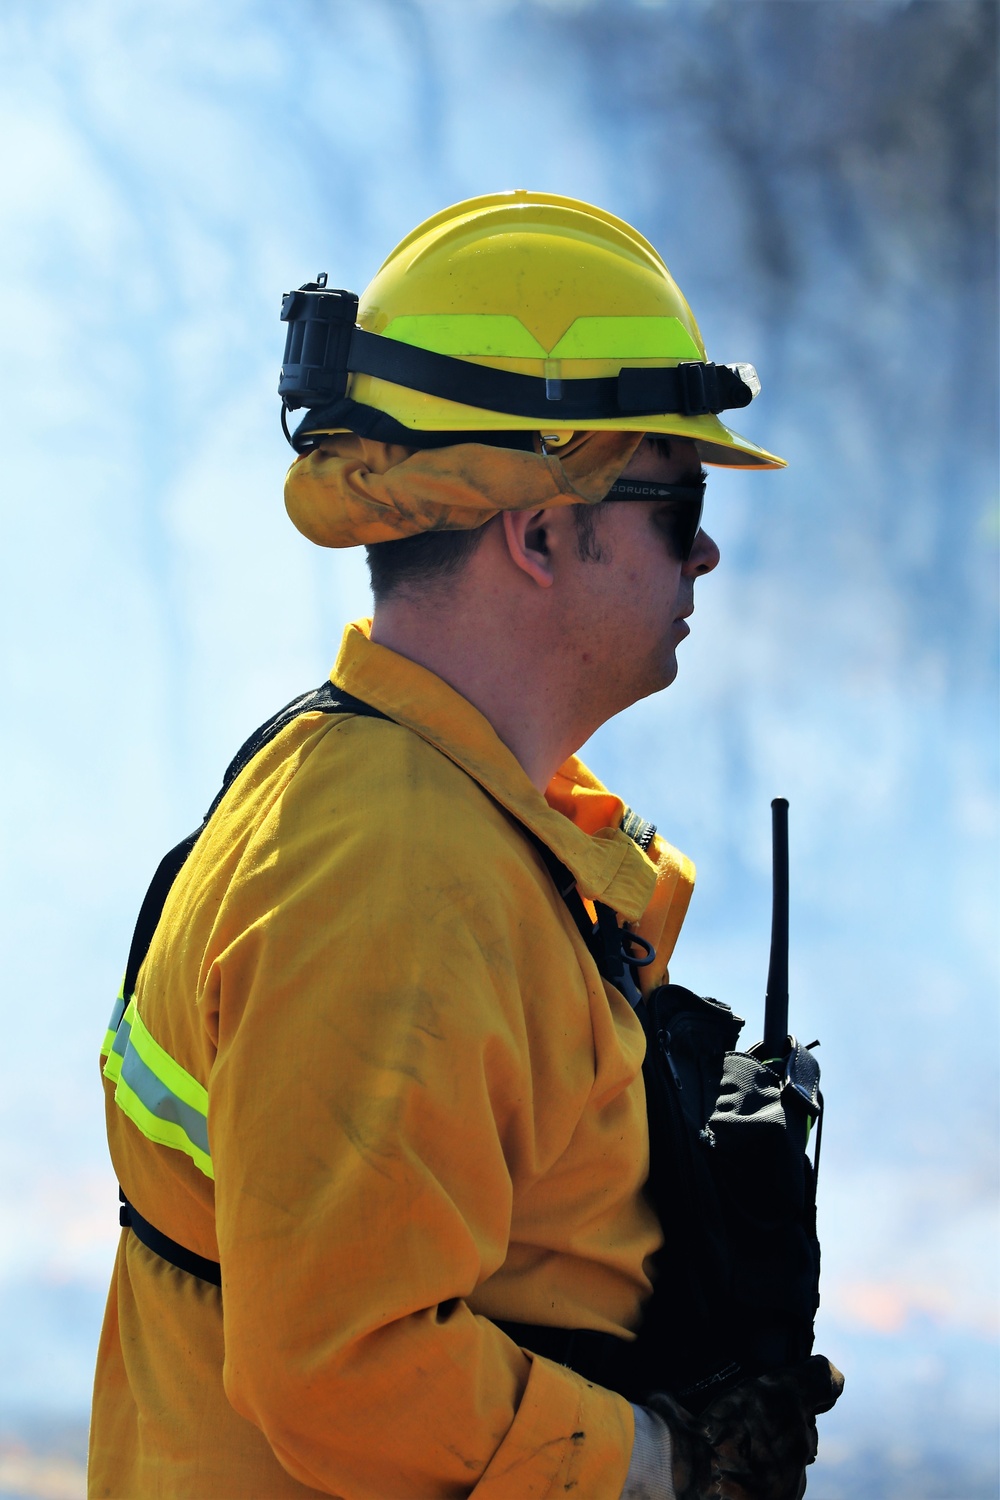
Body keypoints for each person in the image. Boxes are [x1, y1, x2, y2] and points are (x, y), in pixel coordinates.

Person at [90, 191, 842, 1499]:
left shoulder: (433, 803)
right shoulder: (398, 874)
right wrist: (662, 1461)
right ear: (541, 529)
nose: (708, 549)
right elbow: (341, 1366)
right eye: (675, 500)